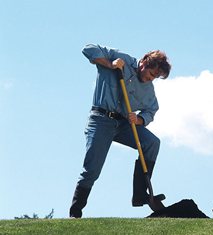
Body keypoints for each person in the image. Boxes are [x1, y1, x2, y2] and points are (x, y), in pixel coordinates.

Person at [69, 44, 171, 218]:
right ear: (144, 62)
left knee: (152, 143)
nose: (151, 79)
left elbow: (151, 110)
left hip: (124, 125)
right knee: (92, 169)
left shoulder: (148, 90)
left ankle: (140, 195)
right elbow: (88, 49)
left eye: (155, 77)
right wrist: (111, 65)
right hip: (101, 119)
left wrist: (139, 119)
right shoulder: (120, 57)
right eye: (152, 74)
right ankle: (75, 211)